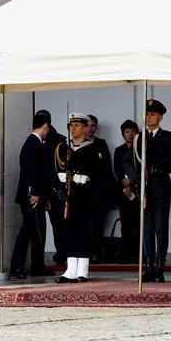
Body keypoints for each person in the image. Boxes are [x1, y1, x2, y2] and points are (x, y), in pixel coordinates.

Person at [53, 113, 107, 283]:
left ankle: (82, 270)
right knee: (68, 231)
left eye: (77, 125)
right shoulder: (64, 149)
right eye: (71, 125)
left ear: (85, 128)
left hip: (84, 197)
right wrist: (59, 190)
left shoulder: (91, 150)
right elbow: (57, 172)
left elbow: (99, 177)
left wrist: (94, 198)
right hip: (68, 197)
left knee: (83, 232)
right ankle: (70, 269)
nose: (73, 129)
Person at [140, 99, 171, 283]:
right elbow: (129, 160)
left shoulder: (168, 137)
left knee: (160, 229)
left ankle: (159, 266)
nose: (149, 117)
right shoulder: (140, 136)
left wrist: (151, 156)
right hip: (144, 188)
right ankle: (148, 266)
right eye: (147, 114)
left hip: (160, 185)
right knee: (147, 229)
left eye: (153, 114)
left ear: (161, 117)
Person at [9, 113, 51, 279]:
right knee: (27, 231)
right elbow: (32, 171)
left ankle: (38, 266)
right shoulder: (32, 144)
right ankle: (16, 267)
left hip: (35, 194)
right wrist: (34, 193)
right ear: (45, 126)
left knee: (37, 231)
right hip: (30, 195)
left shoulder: (34, 143)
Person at [36, 109, 67, 265]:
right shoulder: (39, 140)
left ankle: (63, 253)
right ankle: (59, 252)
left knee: (60, 223)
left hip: (55, 190)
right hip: (44, 191)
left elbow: (57, 169)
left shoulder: (59, 141)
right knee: (52, 224)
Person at [87, 114, 115, 263]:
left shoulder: (101, 143)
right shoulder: (78, 142)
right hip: (85, 189)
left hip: (99, 190)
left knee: (98, 223)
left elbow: (106, 166)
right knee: (85, 223)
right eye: (88, 125)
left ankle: (96, 251)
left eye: (93, 126)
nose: (90, 128)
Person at [113, 119, 140, 262]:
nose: (130, 134)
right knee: (125, 223)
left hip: (137, 190)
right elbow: (117, 169)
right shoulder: (119, 150)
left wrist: (131, 183)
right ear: (123, 134)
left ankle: (138, 253)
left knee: (138, 223)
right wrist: (125, 185)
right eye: (127, 132)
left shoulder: (140, 149)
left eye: (133, 131)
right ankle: (126, 253)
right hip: (123, 192)